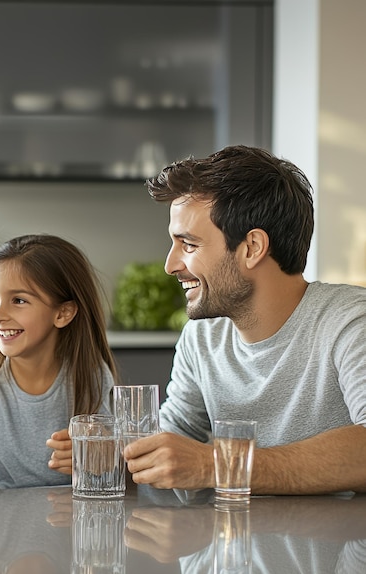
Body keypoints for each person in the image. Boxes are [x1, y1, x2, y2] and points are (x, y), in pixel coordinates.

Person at [124, 145, 366, 495]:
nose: (170, 265)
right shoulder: (202, 335)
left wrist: (218, 464)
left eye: (188, 244)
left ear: (252, 247)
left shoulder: (350, 322)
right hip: (236, 545)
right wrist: (119, 454)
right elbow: (175, 439)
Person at [0, 234, 118, 490]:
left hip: (76, 522)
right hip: (4, 523)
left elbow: (116, 473)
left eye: (18, 301)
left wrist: (98, 459)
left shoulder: (92, 377)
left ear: (63, 312)